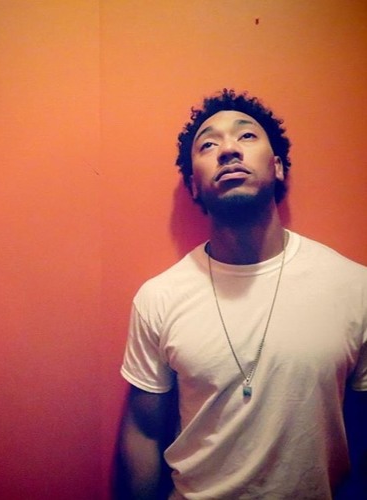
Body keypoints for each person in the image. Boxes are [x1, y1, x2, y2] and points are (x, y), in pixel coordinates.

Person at [115, 89, 367, 499]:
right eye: (208, 144)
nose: (229, 150)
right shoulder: (159, 297)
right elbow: (143, 431)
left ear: (277, 166)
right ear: (194, 185)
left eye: (246, 136)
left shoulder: (355, 289)